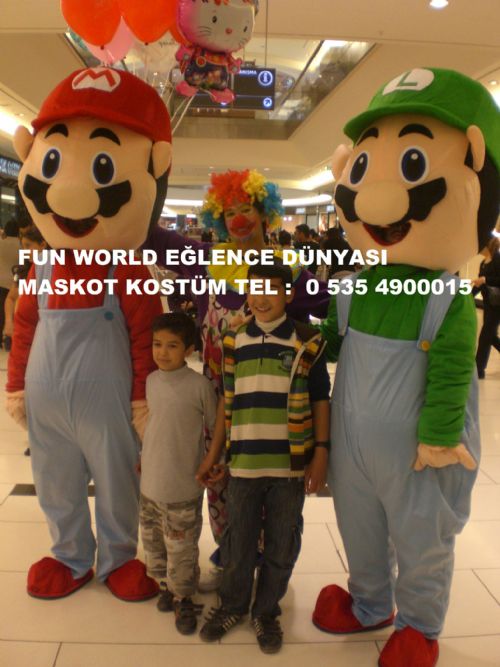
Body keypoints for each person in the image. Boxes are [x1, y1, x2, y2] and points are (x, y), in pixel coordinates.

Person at [312, 68, 499, 667]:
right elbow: (331, 347)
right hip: (353, 446)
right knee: (359, 524)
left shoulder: (448, 299)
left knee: (421, 535)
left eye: (412, 163)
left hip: (419, 451)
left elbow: (452, 374)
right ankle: (370, 601)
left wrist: (440, 436)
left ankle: (420, 623)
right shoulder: (354, 287)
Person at [145, 169, 330, 590]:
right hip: (217, 398)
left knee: (273, 485)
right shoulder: (206, 262)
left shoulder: (289, 268)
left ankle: (269, 565)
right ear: (218, 219)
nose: (239, 220)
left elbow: (329, 307)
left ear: (265, 213)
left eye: (246, 209)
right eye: (229, 213)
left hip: (273, 404)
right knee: (222, 484)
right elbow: (152, 237)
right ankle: (232, 557)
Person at [196, 260, 330, 654]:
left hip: (290, 467)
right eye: (255, 289)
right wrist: (214, 454)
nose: (262, 297)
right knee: (237, 540)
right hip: (244, 465)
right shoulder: (234, 341)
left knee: (281, 542)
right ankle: (233, 605)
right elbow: (227, 399)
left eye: (272, 289)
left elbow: (320, 400)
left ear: (289, 294)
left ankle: (267, 611)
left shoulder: (307, 341)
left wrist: (321, 453)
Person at [139, 313, 218, 635]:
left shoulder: (199, 386)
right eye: (157, 344)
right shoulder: (150, 381)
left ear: (188, 349)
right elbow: (153, 426)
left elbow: (216, 427)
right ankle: (165, 587)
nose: (162, 352)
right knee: (154, 543)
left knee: (182, 549)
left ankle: (184, 597)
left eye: (172, 346)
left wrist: (214, 462)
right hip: (150, 485)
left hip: (183, 486)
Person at [474, 235, 500, 378]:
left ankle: (479, 370)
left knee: (485, 336)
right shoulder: (483, 263)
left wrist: (485, 279)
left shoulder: (497, 259)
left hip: (497, 305)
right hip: (489, 304)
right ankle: (479, 369)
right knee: (490, 336)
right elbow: (480, 284)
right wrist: (467, 295)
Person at [0, 219, 20, 347]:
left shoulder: (1, 243)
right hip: (13, 282)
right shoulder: (21, 245)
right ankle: (9, 339)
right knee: (11, 312)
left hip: (0, 281)